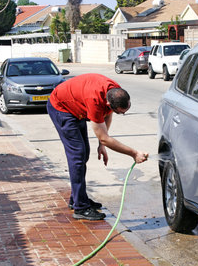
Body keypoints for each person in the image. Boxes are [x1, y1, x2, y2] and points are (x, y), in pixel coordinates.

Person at [47, 73, 148, 220]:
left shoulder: (114, 91)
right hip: (62, 109)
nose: (122, 114)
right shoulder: (94, 100)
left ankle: (76, 199)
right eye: (120, 112)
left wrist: (101, 144)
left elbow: (107, 115)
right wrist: (133, 153)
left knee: (84, 153)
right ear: (109, 104)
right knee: (77, 156)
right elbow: (105, 137)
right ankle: (80, 208)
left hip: (76, 106)